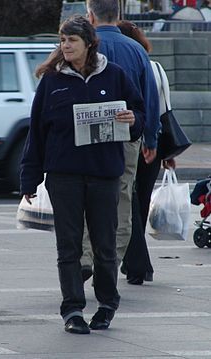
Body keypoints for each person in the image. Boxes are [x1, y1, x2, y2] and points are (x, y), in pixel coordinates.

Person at [20, 15, 145, 334]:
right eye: (62, 41)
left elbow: (139, 114)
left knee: (104, 245)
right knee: (69, 246)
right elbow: (37, 132)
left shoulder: (114, 76)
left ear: (89, 44)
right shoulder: (52, 81)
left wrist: (132, 120)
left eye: (71, 41)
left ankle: (106, 304)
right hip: (64, 175)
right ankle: (72, 309)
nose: (65, 46)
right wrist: (29, 179)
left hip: (104, 174)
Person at [81, 0, 160, 281]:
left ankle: (85, 256)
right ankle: (110, 263)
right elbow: (151, 98)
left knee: (87, 195)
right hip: (127, 134)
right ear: (119, 14)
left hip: (88, 134)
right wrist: (151, 137)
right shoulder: (137, 50)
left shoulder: (86, 47)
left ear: (91, 15)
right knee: (123, 198)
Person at [117, 20, 175, 284]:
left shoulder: (123, 66)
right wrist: (167, 151)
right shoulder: (157, 67)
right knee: (139, 202)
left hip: (135, 136)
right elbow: (165, 109)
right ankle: (136, 263)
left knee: (128, 204)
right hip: (156, 140)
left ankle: (138, 265)